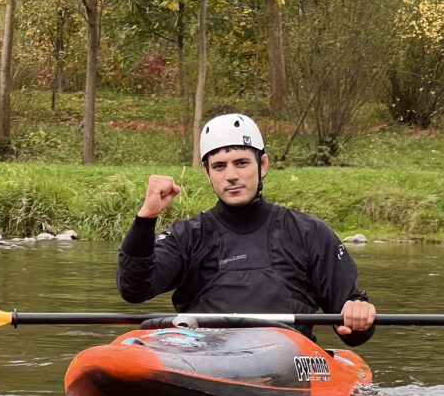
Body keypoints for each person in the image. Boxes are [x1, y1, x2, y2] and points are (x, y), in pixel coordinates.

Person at [116, 112, 376, 344]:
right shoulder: (187, 236)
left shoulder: (310, 233)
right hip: (205, 353)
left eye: (241, 163)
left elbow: (352, 328)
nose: (231, 175)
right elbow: (134, 289)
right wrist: (146, 218)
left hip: (286, 359)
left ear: (262, 166)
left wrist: (357, 314)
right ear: (208, 173)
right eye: (219, 166)